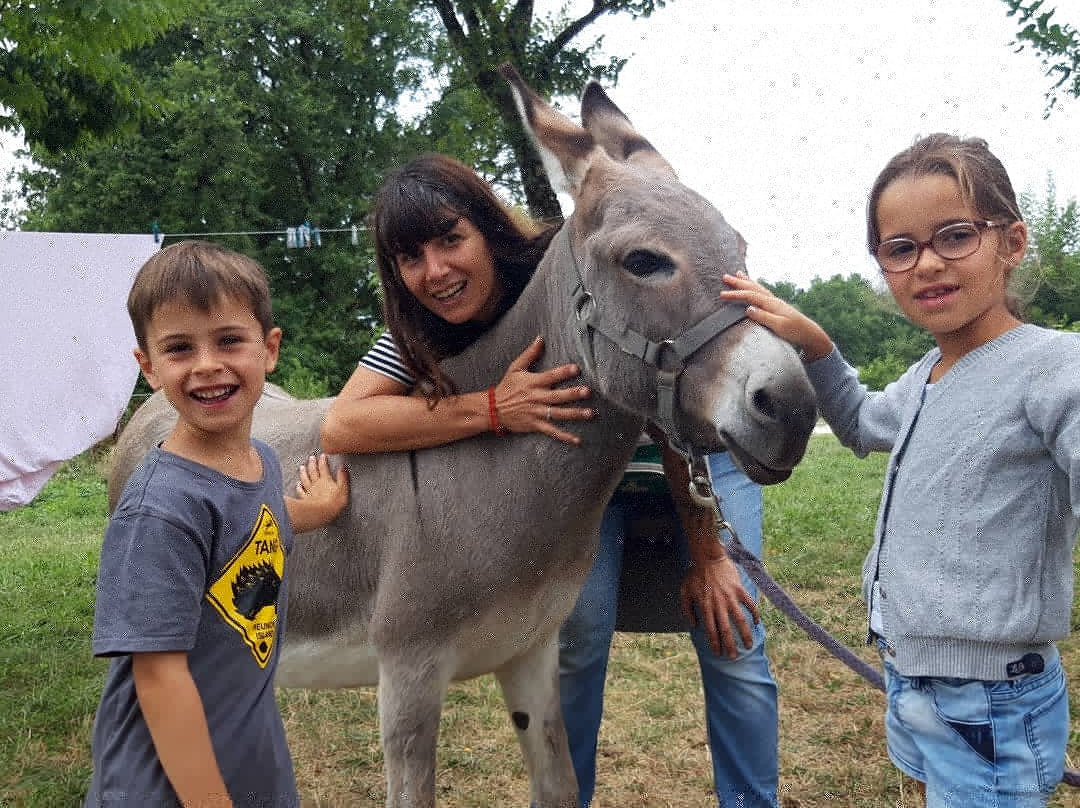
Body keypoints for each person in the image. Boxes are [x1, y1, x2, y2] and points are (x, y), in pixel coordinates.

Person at [320, 154, 768, 804]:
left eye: (451, 239)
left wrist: (707, 553)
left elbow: (675, 400)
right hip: (578, 491)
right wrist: (493, 408)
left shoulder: (566, 268)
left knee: (736, 643)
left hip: (685, 446)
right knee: (574, 644)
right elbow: (343, 425)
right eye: (409, 257)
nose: (436, 271)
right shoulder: (418, 330)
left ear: (488, 229)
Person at [721, 133, 1079, 807]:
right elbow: (858, 423)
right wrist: (816, 344)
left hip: (993, 704)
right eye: (901, 248)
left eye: (954, 236)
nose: (927, 264)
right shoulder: (926, 376)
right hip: (911, 679)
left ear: (1012, 241)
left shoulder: (1056, 368)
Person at [85, 241, 350, 808]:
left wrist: (317, 510)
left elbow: (255, 523)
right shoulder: (159, 509)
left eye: (229, 340)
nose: (207, 364)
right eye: (180, 348)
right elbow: (158, 678)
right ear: (149, 368)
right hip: (165, 784)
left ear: (269, 350)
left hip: (245, 749)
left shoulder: (258, 461)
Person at [558, 439, 779, 808]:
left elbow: (673, 412)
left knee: (732, 634)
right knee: (577, 636)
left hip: (711, 452)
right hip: (592, 450)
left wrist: (709, 555)